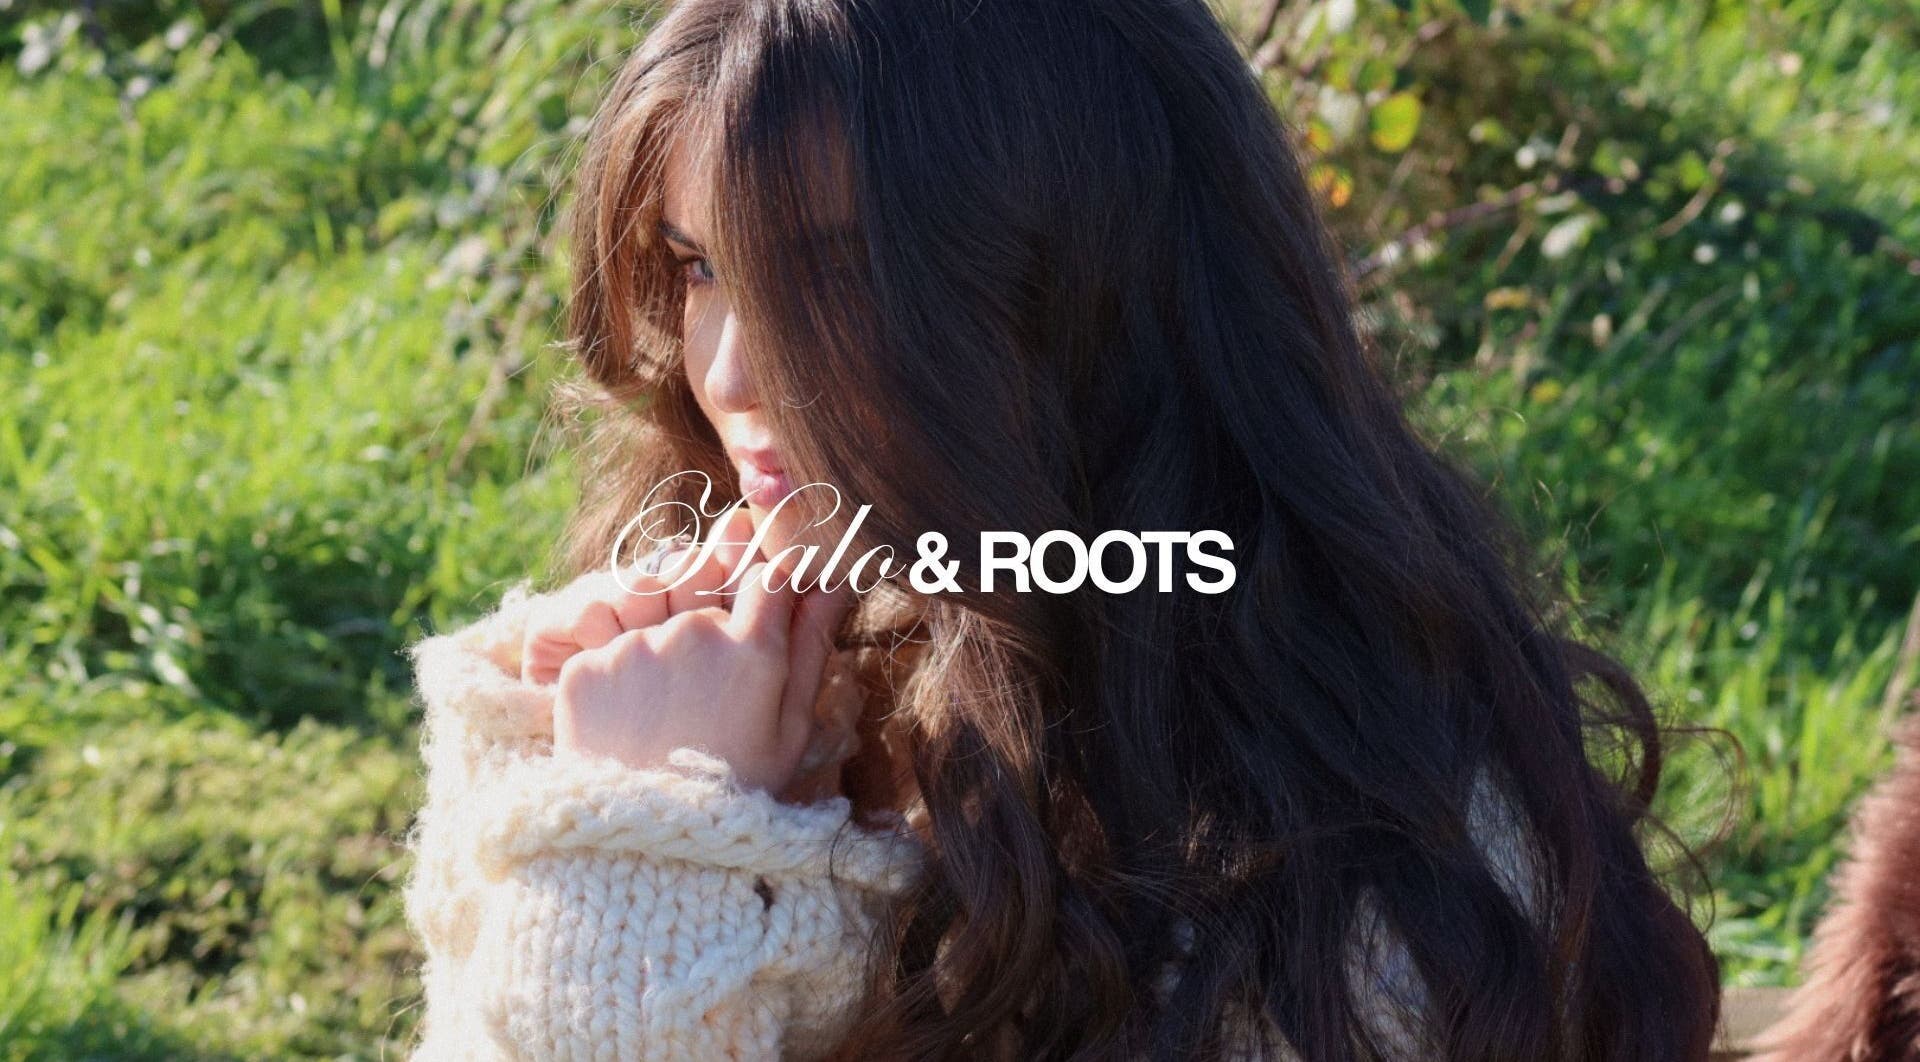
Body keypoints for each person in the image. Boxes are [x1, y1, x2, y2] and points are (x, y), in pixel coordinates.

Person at [399, 0, 1722, 1058]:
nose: (729, 372)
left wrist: (639, 862)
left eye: (839, 275)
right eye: (700, 266)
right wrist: (583, 800)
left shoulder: (1351, 903)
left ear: (1084, 305)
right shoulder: (761, 643)